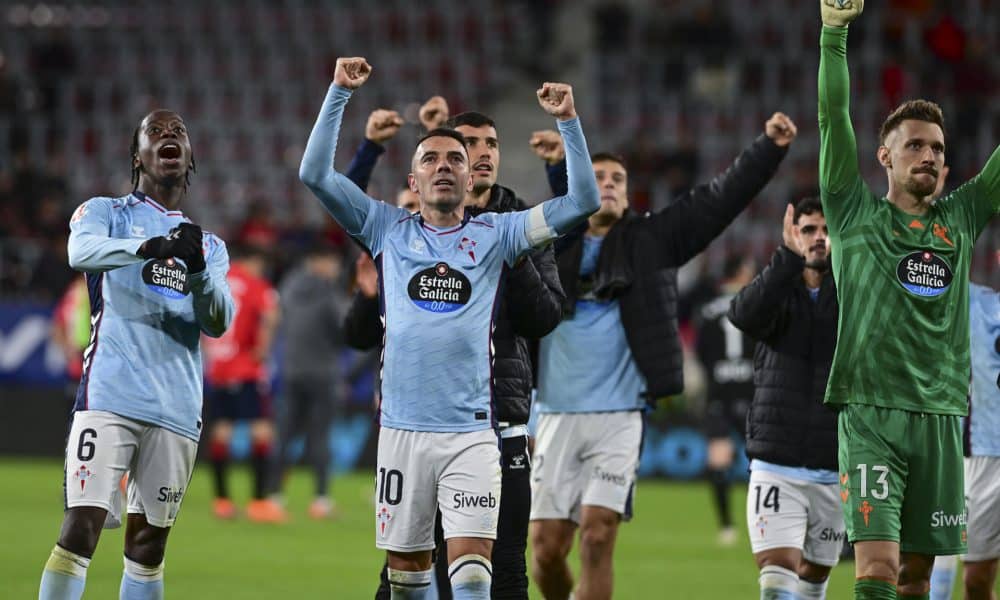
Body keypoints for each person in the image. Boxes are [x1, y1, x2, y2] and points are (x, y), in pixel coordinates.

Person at [298, 56, 599, 599]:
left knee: (474, 580)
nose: (443, 165)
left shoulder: (499, 234)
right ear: (413, 178)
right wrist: (339, 91)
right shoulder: (384, 227)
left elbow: (584, 202)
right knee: (408, 583)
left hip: (473, 436)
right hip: (400, 433)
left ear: (471, 175)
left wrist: (569, 121)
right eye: (431, 158)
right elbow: (315, 174)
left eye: (455, 159)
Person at [528, 112, 797, 600]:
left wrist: (768, 148)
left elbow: (719, 200)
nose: (608, 185)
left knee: (597, 534)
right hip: (553, 414)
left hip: (619, 414)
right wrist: (556, 171)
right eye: (598, 178)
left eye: (617, 180)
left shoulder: (651, 240)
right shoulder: (549, 243)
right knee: (545, 551)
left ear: (629, 194)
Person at [346, 97, 566, 600]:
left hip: (496, 421)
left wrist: (507, 250)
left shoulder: (518, 227)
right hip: (414, 423)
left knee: (500, 571)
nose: (482, 152)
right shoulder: (409, 227)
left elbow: (546, 316)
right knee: (405, 572)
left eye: (491, 144)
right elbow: (344, 203)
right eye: (469, 145)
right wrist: (370, 149)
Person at [817, 2, 1000, 597]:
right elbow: (832, 116)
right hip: (871, 412)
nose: (930, 156)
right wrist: (834, 34)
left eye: (939, 149)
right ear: (885, 158)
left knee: (919, 576)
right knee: (875, 572)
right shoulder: (851, 211)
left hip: (945, 416)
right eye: (916, 145)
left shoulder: (963, 218)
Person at [39, 109, 233, 600]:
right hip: (110, 397)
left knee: (148, 547)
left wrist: (197, 273)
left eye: (179, 132)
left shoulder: (208, 245)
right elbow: (80, 253)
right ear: (137, 156)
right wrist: (152, 244)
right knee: (81, 527)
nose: (169, 135)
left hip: (177, 409)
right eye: (156, 131)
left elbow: (217, 321)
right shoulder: (105, 212)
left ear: (189, 160)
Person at [728, 198, 844, 600]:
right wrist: (785, 260)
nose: (819, 238)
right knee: (777, 582)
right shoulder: (778, 290)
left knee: (813, 583)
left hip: (835, 463)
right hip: (777, 463)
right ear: (794, 235)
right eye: (809, 229)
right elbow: (741, 314)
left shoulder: (852, 293)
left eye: (827, 231)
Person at [202, 244, 280, 522]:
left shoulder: (218, 279)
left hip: (219, 368)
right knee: (261, 431)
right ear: (255, 260)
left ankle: (221, 500)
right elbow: (271, 315)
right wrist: (262, 349)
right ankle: (259, 502)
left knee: (222, 430)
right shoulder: (256, 285)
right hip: (246, 369)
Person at [271, 241, 348, 520]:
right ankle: (320, 500)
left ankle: (274, 496)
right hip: (323, 374)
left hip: (292, 371)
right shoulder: (327, 291)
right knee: (320, 437)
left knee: (285, 435)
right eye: (333, 262)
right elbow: (343, 328)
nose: (336, 269)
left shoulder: (288, 286)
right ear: (322, 261)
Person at [693, 254, 756, 547]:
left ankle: (727, 527)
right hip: (752, 393)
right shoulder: (756, 305)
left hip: (719, 393)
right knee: (763, 462)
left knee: (719, 461)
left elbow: (700, 353)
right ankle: (764, 520)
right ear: (741, 273)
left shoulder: (707, 312)